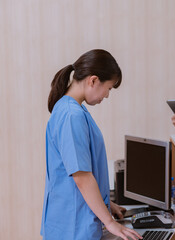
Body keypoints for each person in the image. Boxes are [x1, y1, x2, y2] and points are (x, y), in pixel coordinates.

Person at [41, 49, 142, 240]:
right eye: (109, 88)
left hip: (73, 217)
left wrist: (106, 203)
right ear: (93, 80)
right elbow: (81, 176)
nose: (107, 95)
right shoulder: (72, 115)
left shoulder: (72, 109)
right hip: (73, 225)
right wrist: (110, 223)